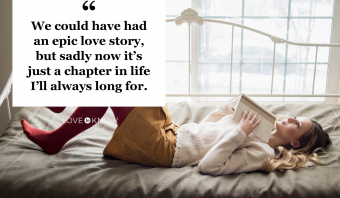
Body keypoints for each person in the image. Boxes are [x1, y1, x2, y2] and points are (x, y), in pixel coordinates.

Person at [20, 100, 331, 175]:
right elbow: (204, 129)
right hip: (174, 131)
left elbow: (208, 166)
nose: (289, 118)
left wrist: (238, 133)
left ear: (294, 143)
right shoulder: (253, 128)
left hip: (166, 149)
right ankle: (59, 129)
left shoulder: (260, 151)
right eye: (292, 116)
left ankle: (56, 139)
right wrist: (227, 110)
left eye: (296, 124)